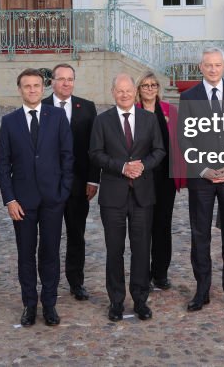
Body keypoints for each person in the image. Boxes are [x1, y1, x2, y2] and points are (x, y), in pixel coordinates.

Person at [0, 68, 74, 327]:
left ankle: (49, 304)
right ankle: (29, 305)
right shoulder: (9, 121)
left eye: (36, 85)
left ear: (44, 88)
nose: (32, 90)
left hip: (53, 199)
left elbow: (67, 156)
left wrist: (63, 192)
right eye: (27, 86)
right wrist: (10, 200)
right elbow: (3, 164)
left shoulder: (58, 116)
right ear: (20, 89)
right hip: (22, 202)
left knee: (50, 253)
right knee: (26, 254)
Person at [178, 47, 224, 314]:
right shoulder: (189, 96)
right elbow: (184, 137)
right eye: (208, 65)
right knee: (201, 235)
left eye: (217, 65)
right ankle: (202, 290)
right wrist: (202, 169)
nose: (212, 69)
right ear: (201, 67)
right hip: (202, 178)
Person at [90, 73, 165, 321]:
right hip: (113, 195)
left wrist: (142, 165)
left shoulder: (149, 119)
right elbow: (95, 153)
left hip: (143, 194)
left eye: (128, 90)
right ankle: (116, 301)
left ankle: (140, 300)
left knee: (142, 249)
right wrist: (122, 167)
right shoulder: (102, 120)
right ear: (113, 92)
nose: (124, 95)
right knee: (115, 250)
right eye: (119, 91)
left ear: (135, 92)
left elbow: (159, 150)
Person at [41, 62, 98, 301]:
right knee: (49, 238)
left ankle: (76, 282)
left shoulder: (87, 107)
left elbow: (94, 147)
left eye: (70, 79)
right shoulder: (41, 107)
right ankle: (49, 284)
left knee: (76, 235)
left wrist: (93, 180)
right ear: (52, 82)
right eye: (61, 79)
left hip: (78, 184)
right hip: (49, 185)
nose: (66, 83)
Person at [135, 70, 183, 291]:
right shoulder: (133, 111)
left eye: (153, 85)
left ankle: (160, 273)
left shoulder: (169, 111)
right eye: (145, 85)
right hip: (141, 178)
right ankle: (142, 273)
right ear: (139, 89)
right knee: (142, 227)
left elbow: (179, 143)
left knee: (163, 226)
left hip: (164, 179)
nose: (150, 89)